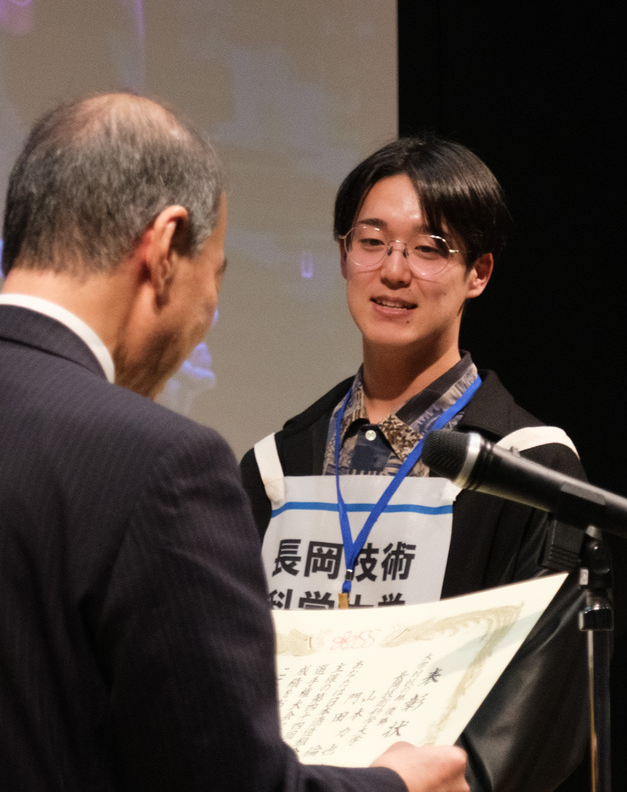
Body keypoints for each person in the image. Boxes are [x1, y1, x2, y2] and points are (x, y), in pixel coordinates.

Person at [0, 92, 467, 792]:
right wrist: (393, 784)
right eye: (213, 277)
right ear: (163, 248)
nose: (207, 318)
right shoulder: (159, 464)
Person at [239, 137, 589, 792]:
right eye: (372, 241)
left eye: (430, 248)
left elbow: (546, 686)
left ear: (478, 272)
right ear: (344, 254)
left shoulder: (530, 469)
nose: (394, 270)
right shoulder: (280, 467)